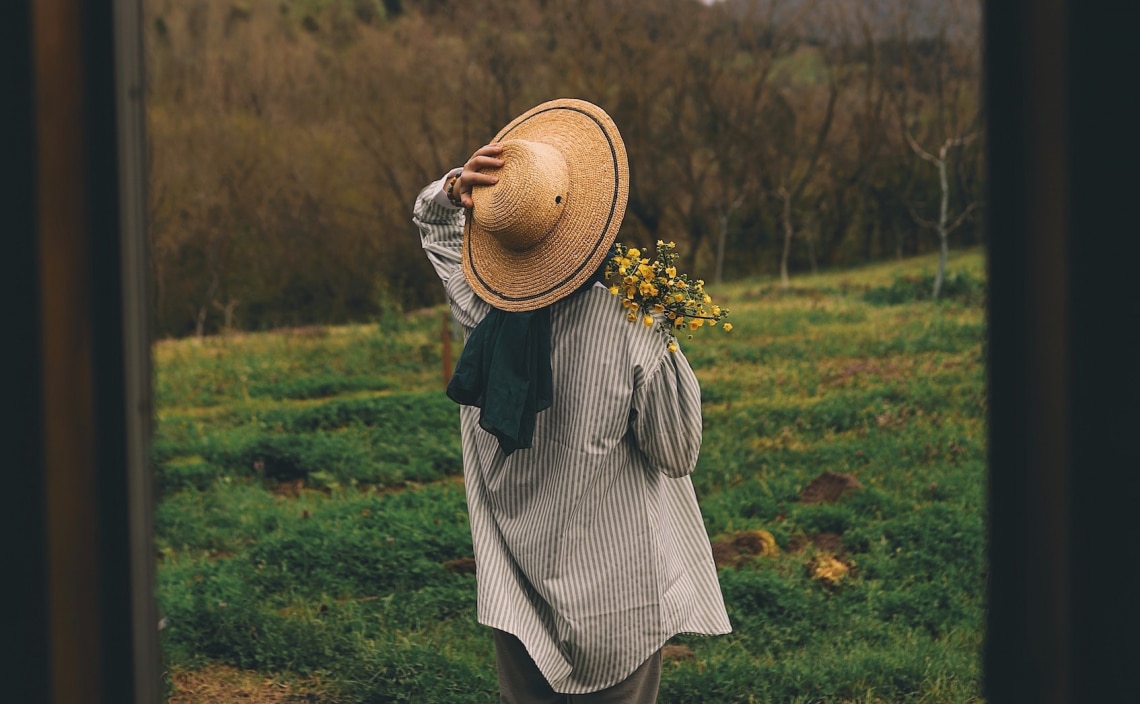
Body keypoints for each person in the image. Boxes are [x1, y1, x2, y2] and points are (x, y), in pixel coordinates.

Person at [412, 98, 730, 703]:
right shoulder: (633, 323)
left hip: (518, 591)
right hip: (619, 598)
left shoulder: (478, 310)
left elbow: (436, 227)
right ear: (590, 215)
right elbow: (677, 452)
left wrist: (454, 188)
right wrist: (665, 334)